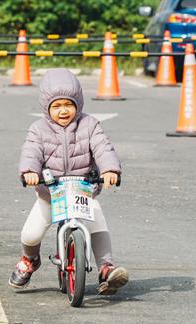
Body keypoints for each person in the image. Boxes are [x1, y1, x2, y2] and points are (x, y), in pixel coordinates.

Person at [9, 68, 128, 295]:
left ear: (78, 103)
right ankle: (30, 260)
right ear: (47, 107)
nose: (63, 110)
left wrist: (110, 169)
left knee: (97, 218)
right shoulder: (38, 129)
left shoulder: (89, 125)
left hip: (83, 190)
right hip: (50, 192)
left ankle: (105, 267)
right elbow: (31, 152)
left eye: (69, 104)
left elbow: (103, 148)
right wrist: (29, 171)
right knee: (31, 233)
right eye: (56, 106)